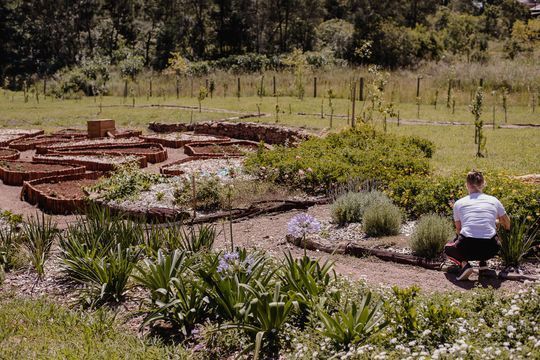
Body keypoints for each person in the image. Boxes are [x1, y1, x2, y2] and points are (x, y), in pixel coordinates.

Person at [444, 171, 511, 281]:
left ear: (467, 185)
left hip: (467, 247)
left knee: (448, 248)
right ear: (483, 183)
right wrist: (502, 228)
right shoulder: (494, 200)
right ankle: (483, 266)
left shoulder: (459, 203)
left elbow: (459, 229)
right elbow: (507, 222)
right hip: (492, 248)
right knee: (489, 230)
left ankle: (464, 265)